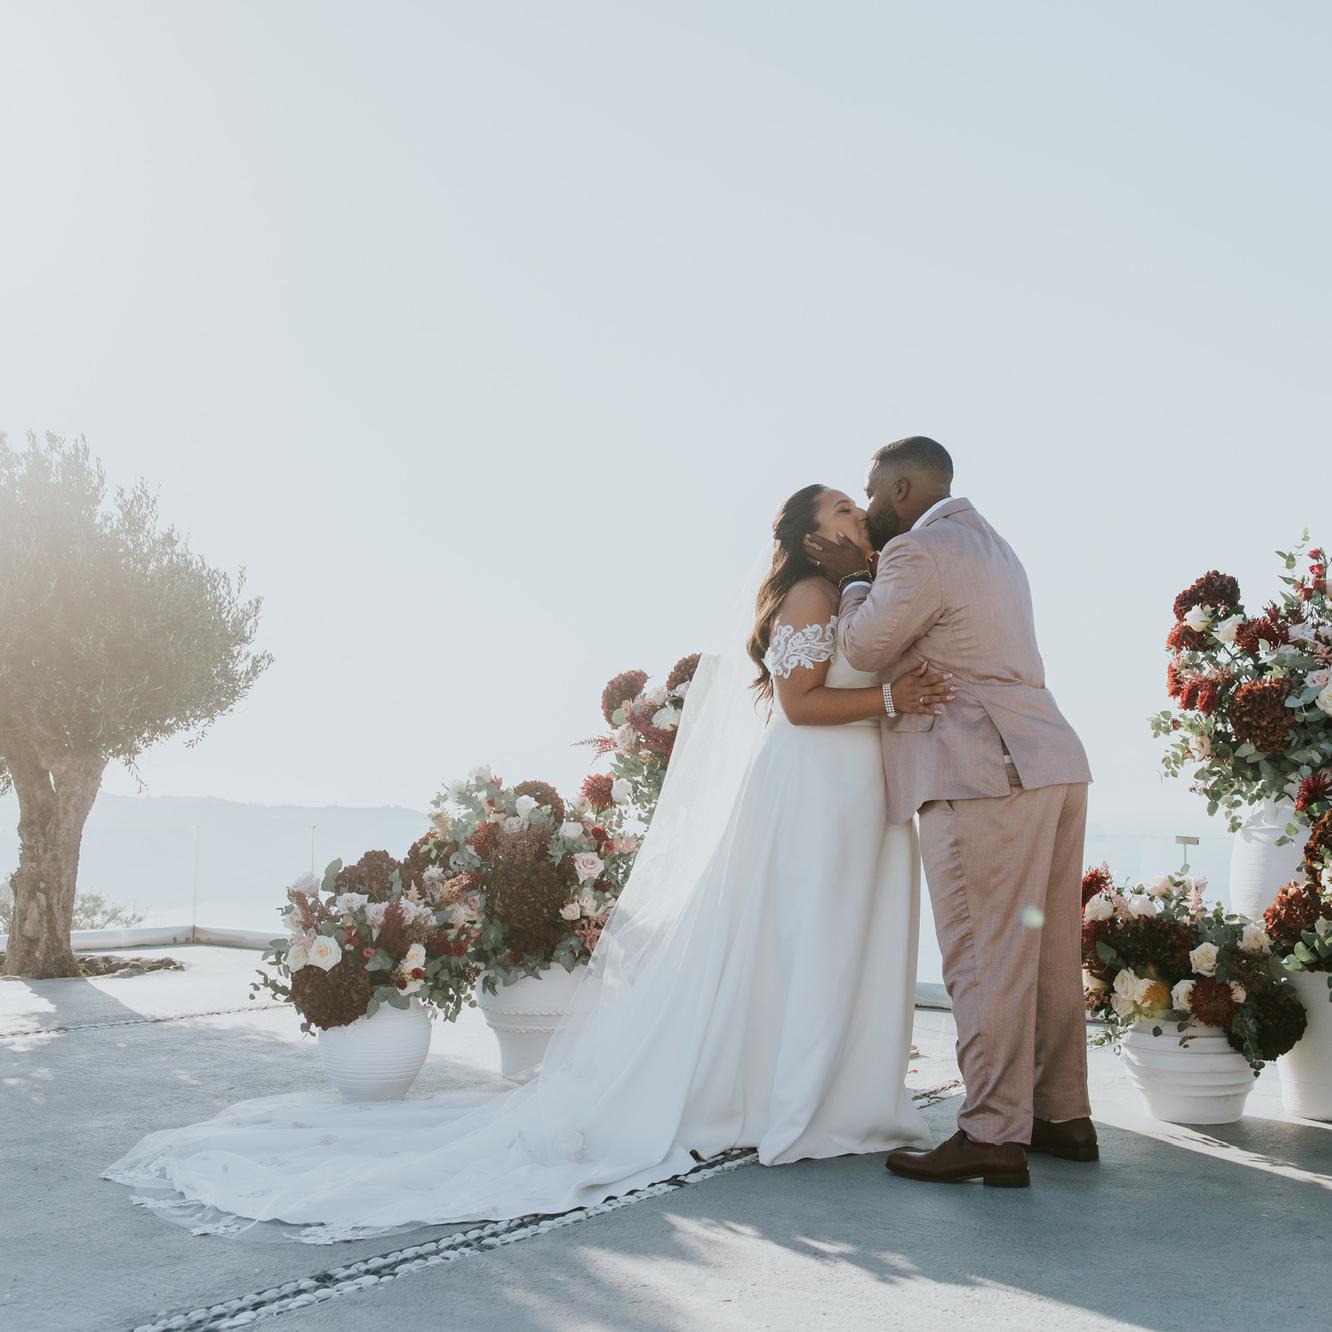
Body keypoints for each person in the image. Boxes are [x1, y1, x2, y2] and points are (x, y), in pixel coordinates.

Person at [104, 483, 952, 1241]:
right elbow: (802, 706)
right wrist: (888, 699)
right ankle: (793, 1100)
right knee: (799, 936)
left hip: (853, 790)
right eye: (841, 508)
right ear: (809, 540)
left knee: (834, 939)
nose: (857, 514)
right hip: (809, 789)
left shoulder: (858, 587)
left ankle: (827, 1091)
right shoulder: (810, 591)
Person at [804, 436, 1095, 1189]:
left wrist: (852, 582)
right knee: (1049, 950)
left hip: (981, 770)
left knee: (983, 954)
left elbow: (865, 648)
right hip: (1052, 759)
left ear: (901, 490)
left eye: (871, 493)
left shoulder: (917, 553)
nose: (866, 508)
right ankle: (1062, 1115)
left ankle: (993, 1132)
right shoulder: (995, 546)